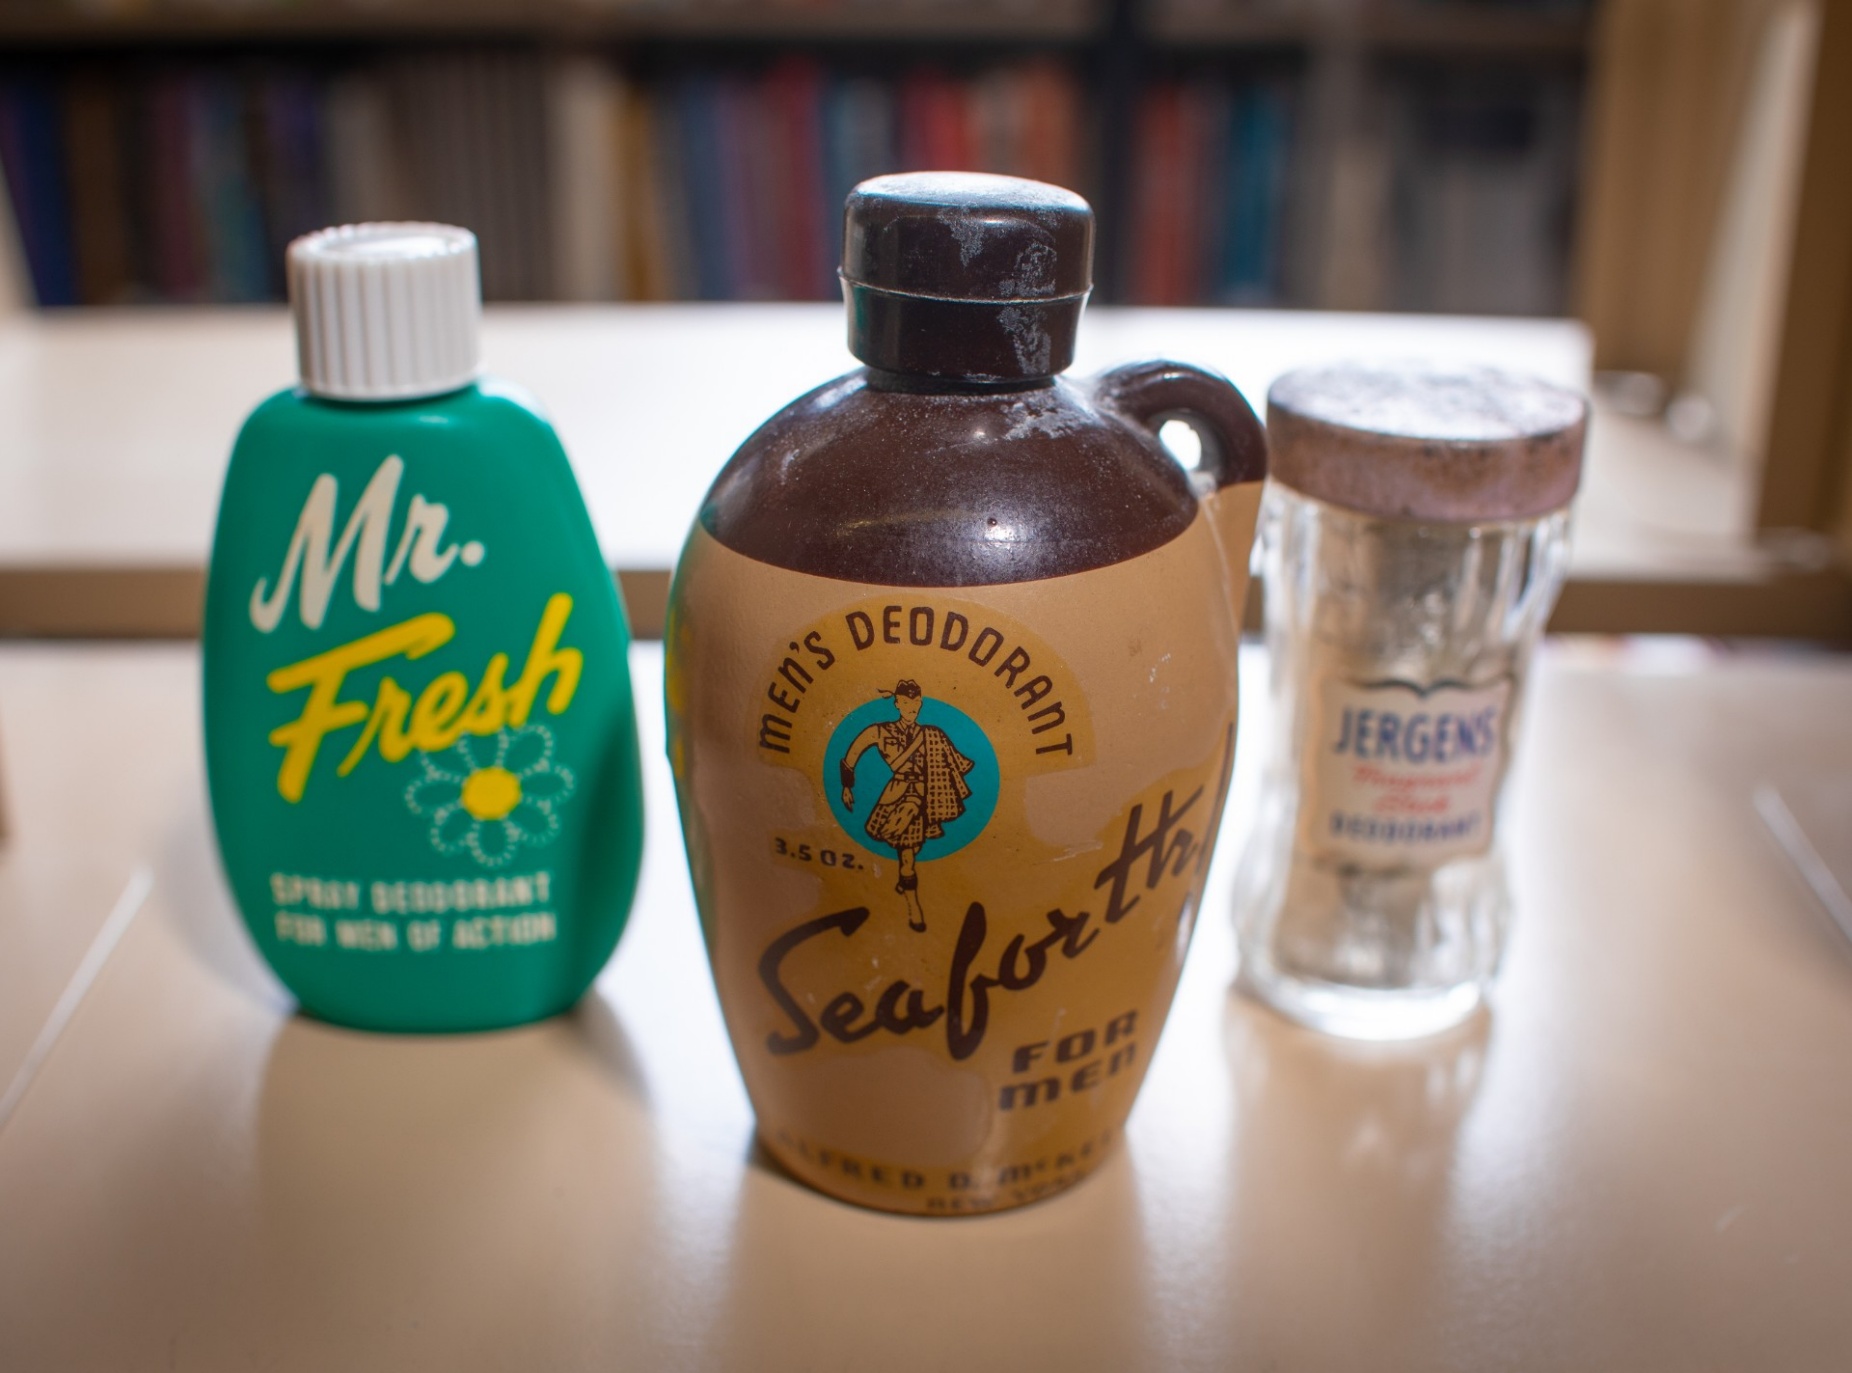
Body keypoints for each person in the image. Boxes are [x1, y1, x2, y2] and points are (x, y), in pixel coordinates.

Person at [840, 680, 974, 932]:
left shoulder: (931, 734)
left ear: (920, 703)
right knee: (907, 854)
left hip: (926, 796)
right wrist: (847, 785)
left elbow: (956, 763)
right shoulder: (881, 731)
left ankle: (905, 879)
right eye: (906, 702)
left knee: (911, 850)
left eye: (916, 703)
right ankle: (914, 906)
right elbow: (853, 753)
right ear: (897, 703)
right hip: (898, 795)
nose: (912, 707)